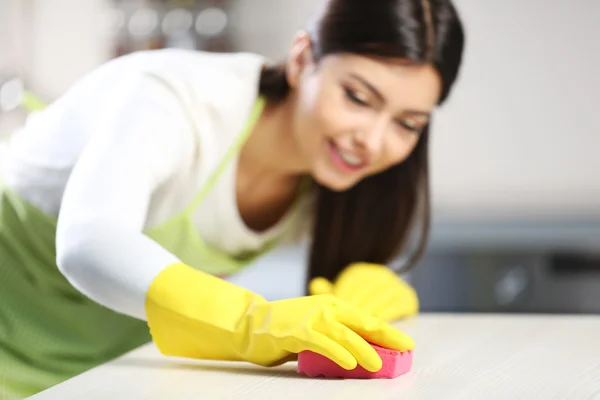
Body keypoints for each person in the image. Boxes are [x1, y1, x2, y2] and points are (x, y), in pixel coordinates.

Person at [0, 0, 464, 397]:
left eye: (407, 124)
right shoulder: (178, 95)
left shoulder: (333, 181)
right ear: (302, 59)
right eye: (358, 97)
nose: (374, 141)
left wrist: (357, 297)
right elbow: (89, 241)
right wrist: (249, 321)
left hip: (110, 368)